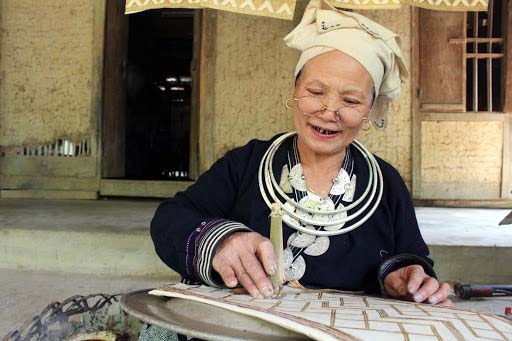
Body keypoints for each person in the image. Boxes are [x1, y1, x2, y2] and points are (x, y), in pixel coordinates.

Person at [151, 0, 451, 306]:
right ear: (295, 92)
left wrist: (405, 276)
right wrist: (223, 243)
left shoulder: (386, 184)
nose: (328, 111)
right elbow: (170, 219)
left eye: (350, 101)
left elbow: (411, 260)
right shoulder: (246, 164)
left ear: (369, 111)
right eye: (316, 93)